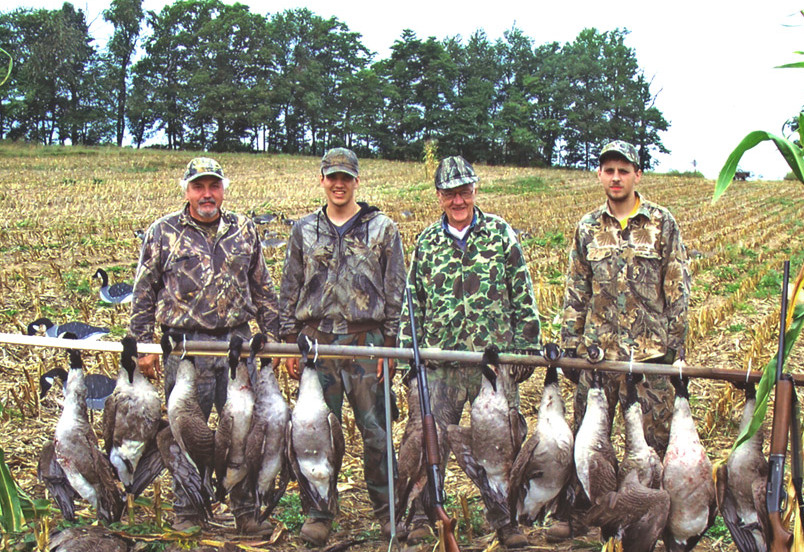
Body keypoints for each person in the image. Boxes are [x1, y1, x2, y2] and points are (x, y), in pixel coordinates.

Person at [396, 155, 541, 549]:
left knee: (500, 447)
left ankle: (505, 521)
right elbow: (414, 304)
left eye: (464, 191)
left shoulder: (499, 233)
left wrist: (525, 349)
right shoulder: (426, 242)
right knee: (427, 439)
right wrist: (409, 360)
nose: (458, 201)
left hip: (489, 365)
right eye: (449, 193)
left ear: (475, 191)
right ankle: (423, 515)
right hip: (439, 364)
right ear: (438, 196)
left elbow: (522, 294)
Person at [129, 157, 280, 534]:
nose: (206, 194)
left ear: (223, 189)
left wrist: (277, 339)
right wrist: (145, 344)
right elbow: (143, 293)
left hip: (236, 346)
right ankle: (189, 509)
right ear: (186, 190)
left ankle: (245, 511)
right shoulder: (162, 231)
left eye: (213, 186)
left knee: (243, 430)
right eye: (199, 186)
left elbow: (263, 289)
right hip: (184, 349)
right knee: (184, 432)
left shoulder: (244, 228)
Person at [549, 140, 691, 540]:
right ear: (599, 175)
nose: (615, 177)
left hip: (649, 357)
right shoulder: (587, 227)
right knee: (588, 439)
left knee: (650, 442)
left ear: (637, 175)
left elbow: (677, 286)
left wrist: (675, 351)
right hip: (598, 354)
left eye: (623, 170)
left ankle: (649, 519)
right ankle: (578, 515)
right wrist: (570, 346)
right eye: (608, 170)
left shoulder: (663, 224)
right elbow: (576, 289)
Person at [278, 147, 406, 547]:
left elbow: (396, 289)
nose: (338, 184)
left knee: (378, 433)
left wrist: (390, 345)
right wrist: (288, 346)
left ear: (356, 182)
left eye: (346, 178)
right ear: (322, 180)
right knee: (314, 436)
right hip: (317, 344)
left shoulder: (382, 228)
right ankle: (318, 513)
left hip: (368, 343)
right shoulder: (304, 230)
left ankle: (388, 512)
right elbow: (289, 288)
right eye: (332, 177)